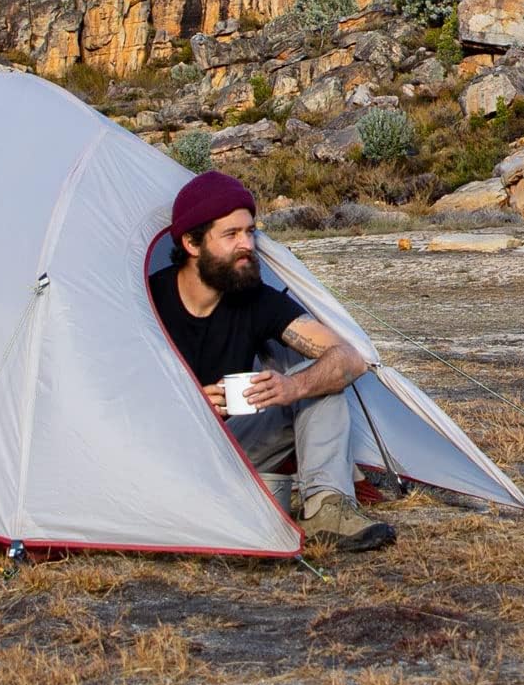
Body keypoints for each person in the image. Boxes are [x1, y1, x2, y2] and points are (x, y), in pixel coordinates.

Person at [150, 171, 396, 552]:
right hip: (154, 455)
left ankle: (327, 508)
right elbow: (110, 394)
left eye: (251, 232)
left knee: (322, 381)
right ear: (192, 243)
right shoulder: (148, 299)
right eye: (231, 235)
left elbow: (350, 357)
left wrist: (290, 387)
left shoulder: (253, 297)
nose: (247, 244)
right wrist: (190, 403)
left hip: (231, 445)